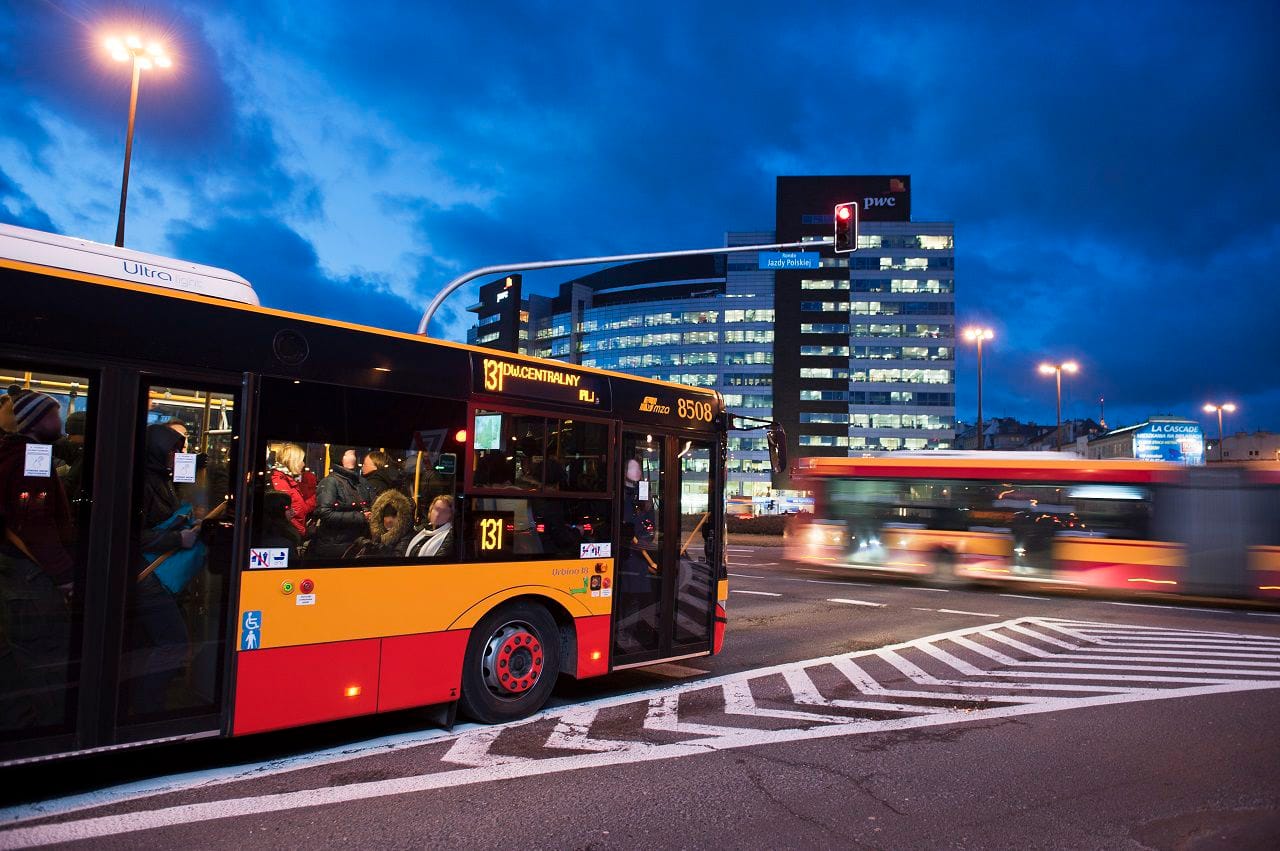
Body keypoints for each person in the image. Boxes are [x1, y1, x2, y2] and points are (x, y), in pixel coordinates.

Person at [0, 391, 74, 729]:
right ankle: (49, 730)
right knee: (46, 659)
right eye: (53, 416)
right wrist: (65, 574)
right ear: (35, 421)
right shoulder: (35, 456)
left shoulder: (11, 453)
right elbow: (36, 522)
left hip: (15, 570)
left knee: (21, 653)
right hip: (33, 576)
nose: (59, 423)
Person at [128, 423, 200, 715]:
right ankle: (148, 708)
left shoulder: (161, 479)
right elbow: (132, 533)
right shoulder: (144, 482)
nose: (177, 456)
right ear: (158, 450)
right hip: (147, 574)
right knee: (174, 642)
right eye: (173, 450)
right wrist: (177, 539)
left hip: (156, 572)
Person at [617, 457, 659, 651]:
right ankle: (622, 634)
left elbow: (650, 523)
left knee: (636, 598)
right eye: (633, 468)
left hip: (639, 556)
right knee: (625, 597)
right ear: (625, 471)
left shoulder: (643, 495)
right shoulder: (620, 495)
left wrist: (646, 537)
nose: (638, 472)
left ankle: (629, 633)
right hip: (626, 556)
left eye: (639, 468)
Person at [309, 446, 369, 558]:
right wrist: (360, 516)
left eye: (354, 454)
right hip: (334, 546)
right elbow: (325, 513)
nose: (353, 458)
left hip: (353, 543)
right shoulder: (330, 482)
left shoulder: (358, 482)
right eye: (348, 454)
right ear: (339, 457)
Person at [347, 488, 416, 559]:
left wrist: (378, 548)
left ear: (401, 518)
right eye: (385, 516)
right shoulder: (379, 533)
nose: (388, 521)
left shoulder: (406, 535)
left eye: (393, 516)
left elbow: (397, 557)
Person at [269, 443, 317, 537]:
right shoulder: (281, 482)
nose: (303, 464)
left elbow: (299, 509)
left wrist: (316, 498)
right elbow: (285, 517)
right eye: (301, 460)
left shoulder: (287, 480)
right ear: (293, 461)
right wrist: (304, 532)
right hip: (287, 536)